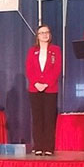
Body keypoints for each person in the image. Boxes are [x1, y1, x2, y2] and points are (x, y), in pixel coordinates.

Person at [25, 25, 62, 156]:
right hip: (34, 89)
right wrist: (36, 83)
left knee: (49, 118)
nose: (44, 35)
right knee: (37, 118)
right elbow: (29, 69)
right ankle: (38, 146)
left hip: (50, 89)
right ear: (37, 36)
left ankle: (48, 147)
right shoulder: (32, 51)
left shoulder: (56, 50)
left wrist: (46, 83)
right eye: (41, 33)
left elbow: (57, 69)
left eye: (47, 32)